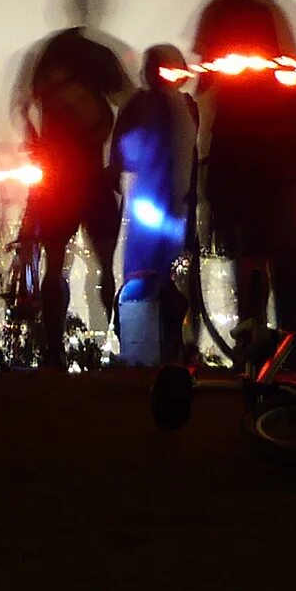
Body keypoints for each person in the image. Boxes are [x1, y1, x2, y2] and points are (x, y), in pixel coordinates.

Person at [190, 0, 296, 357]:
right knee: (277, 250)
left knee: (249, 249)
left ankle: (261, 346)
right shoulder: (268, 11)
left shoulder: (224, 9)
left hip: (243, 148)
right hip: (272, 150)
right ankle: (287, 349)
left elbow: (205, 84)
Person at [12, 0, 133, 368]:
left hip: (56, 176)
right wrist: (118, 155)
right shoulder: (99, 54)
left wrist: (36, 142)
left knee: (53, 262)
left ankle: (52, 350)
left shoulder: (48, 54)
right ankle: (120, 344)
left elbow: (21, 104)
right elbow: (129, 103)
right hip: (92, 172)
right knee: (105, 262)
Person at [112, 43, 198, 366]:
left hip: (150, 207)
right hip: (177, 208)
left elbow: (120, 158)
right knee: (169, 279)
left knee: (142, 277)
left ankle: (142, 350)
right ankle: (172, 348)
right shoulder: (185, 107)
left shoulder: (139, 105)